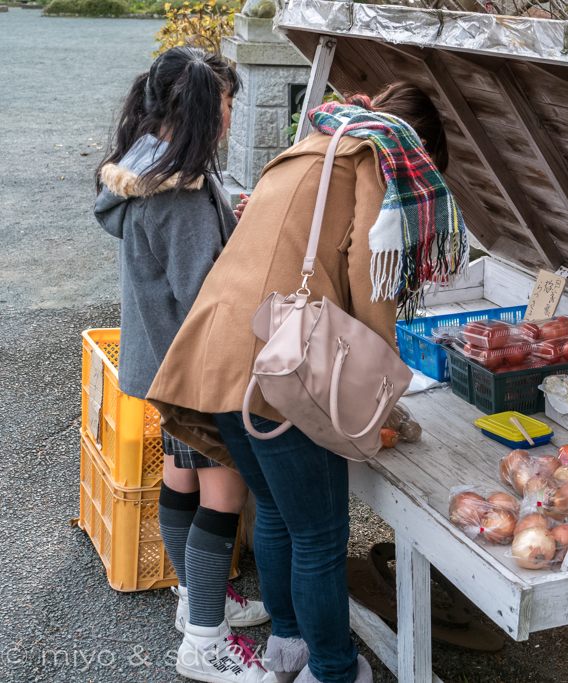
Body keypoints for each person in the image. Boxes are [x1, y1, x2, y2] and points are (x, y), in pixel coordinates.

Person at [147, 82, 460, 683]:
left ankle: (288, 646)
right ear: (420, 149)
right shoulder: (374, 160)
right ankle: (334, 671)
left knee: (277, 510)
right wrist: (383, 390)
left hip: (219, 350)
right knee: (319, 533)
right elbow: (371, 284)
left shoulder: (312, 144)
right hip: (278, 363)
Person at [94, 46, 272, 683]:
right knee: (225, 494)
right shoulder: (182, 191)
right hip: (197, 367)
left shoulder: (146, 163)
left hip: (159, 356)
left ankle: (196, 600)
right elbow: (207, 294)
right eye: (224, 106)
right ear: (201, 109)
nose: (228, 119)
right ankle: (204, 641)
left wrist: (228, 219)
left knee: (181, 478)